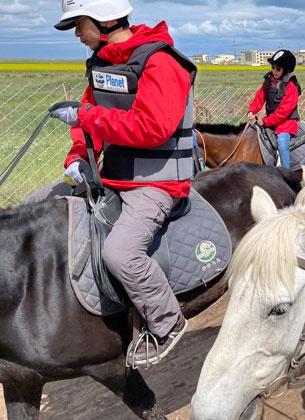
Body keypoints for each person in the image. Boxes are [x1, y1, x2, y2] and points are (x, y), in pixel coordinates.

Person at [51, 0, 196, 367]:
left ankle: (167, 320)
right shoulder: (103, 64)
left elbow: (153, 128)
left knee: (120, 253)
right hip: (114, 177)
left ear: (107, 19)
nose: (78, 36)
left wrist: (87, 116)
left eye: (79, 25)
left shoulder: (161, 62)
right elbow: (91, 124)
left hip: (157, 184)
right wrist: (79, 159)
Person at [246, 49, 301, 169]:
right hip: (271, 122)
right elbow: (259, 98)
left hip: (286, 124)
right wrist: (252, 111)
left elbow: (284, 111)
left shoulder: (291, 86)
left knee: (282, 144)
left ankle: (286, 173)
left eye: (278, 69)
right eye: (273, 67)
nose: (274, 71)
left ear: (285, 70)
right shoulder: (268, 82)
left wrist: (266, 121)